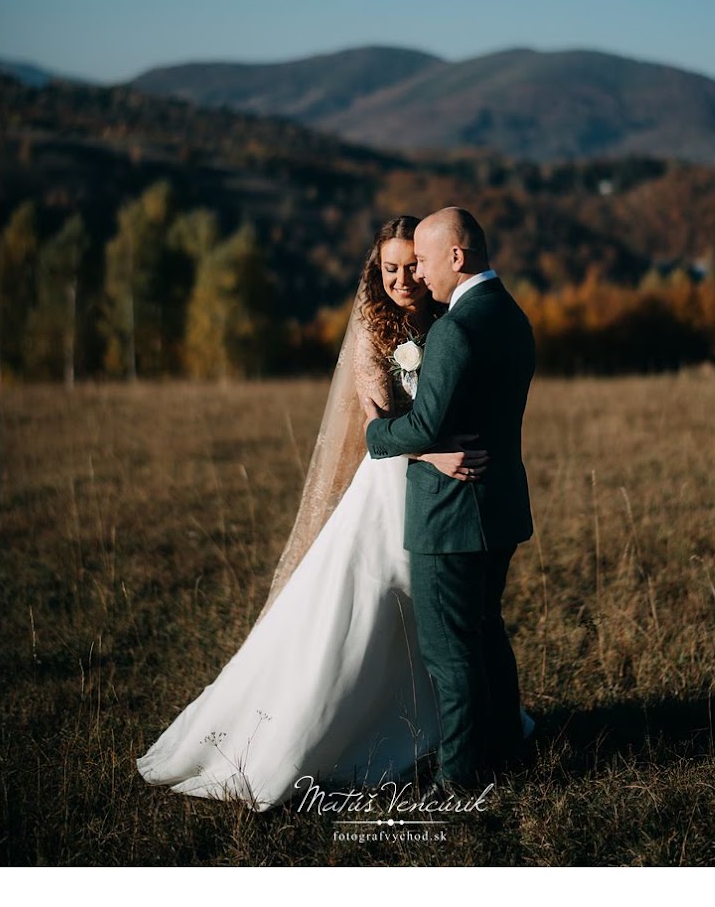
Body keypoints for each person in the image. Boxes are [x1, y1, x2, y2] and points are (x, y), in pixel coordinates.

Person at [137, 215, 511, 810]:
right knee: (384, 612)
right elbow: (375, 427)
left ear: (434, 262)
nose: (403, 278)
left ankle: (453, 737)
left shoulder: (449, 316)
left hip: (437, 490)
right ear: (376, 271)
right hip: (398, 483)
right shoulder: (375, 329)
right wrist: (435, 453)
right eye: (389, 268)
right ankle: (365, 732)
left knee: (446, 622)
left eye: (412, 265)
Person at [365, 207, 536, 793]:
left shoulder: (455, 329)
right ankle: (507, 748)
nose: (421, 275)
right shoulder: (512, 316)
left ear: (457, 258)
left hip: (450, 513)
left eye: (426, 262)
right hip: (500, 507)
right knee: (487, 631)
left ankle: (460, 779)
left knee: (449, 651)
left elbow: (422, 427)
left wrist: (375, 433)